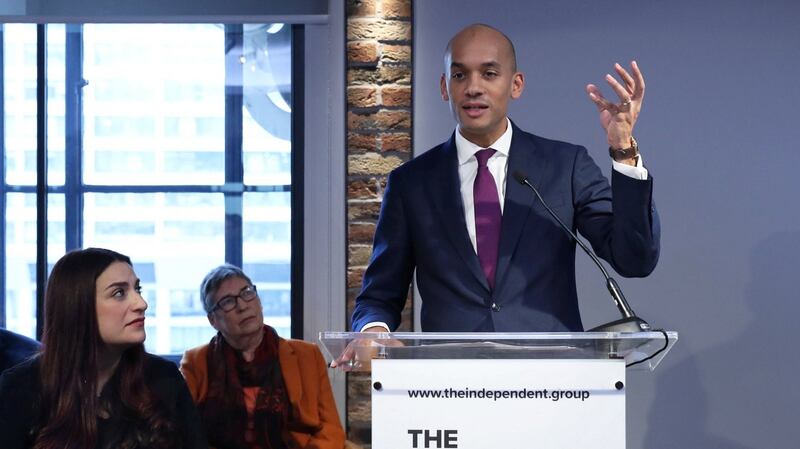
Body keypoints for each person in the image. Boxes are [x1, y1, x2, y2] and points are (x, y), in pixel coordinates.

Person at [351, 23, 660, 334]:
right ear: (444, 87)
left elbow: (634, 259)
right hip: (450, 377)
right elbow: (378, 295)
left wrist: (623, 150)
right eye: (460, 75)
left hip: (550, 375)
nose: (473, 87)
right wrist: (372, 332)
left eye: (489, 73)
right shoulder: (411, 184)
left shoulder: (564, 166)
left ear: (516, 84)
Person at [0, 247, 207, 449]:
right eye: (119, 293)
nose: (141, 303)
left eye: (137, 289)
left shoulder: (164, 379)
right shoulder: (20, 388)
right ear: (78, 307)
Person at [180, 264, 345, 449]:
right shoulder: (196, 363)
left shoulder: (306, 356)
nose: (242, 306)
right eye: (227, 301)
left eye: (247, 293)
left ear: (258, 301)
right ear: (213, 320)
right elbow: (183, 434)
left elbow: (331, 430)